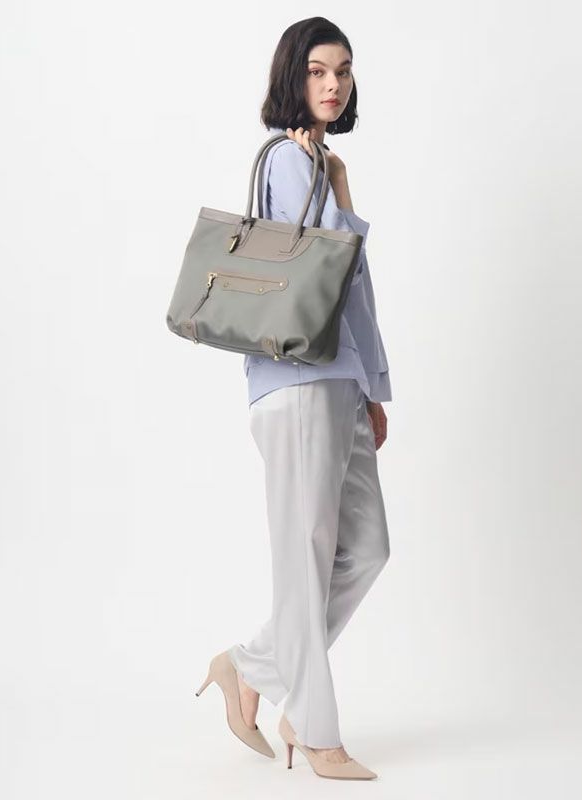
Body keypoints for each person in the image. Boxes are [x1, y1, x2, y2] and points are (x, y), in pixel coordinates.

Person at [195, 18, 391, 781]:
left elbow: (354, 295)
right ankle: (316, 732)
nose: (333, 84)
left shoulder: (322, 163)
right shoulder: (287, 158)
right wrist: (336, 191)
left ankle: (249, 666)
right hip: (298, 384)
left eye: (343, 70)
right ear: (293, 77)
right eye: (317, 71)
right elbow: (323, 273)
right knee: (305, 562)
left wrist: (371, 389)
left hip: (338, 385)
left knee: (367, 548)